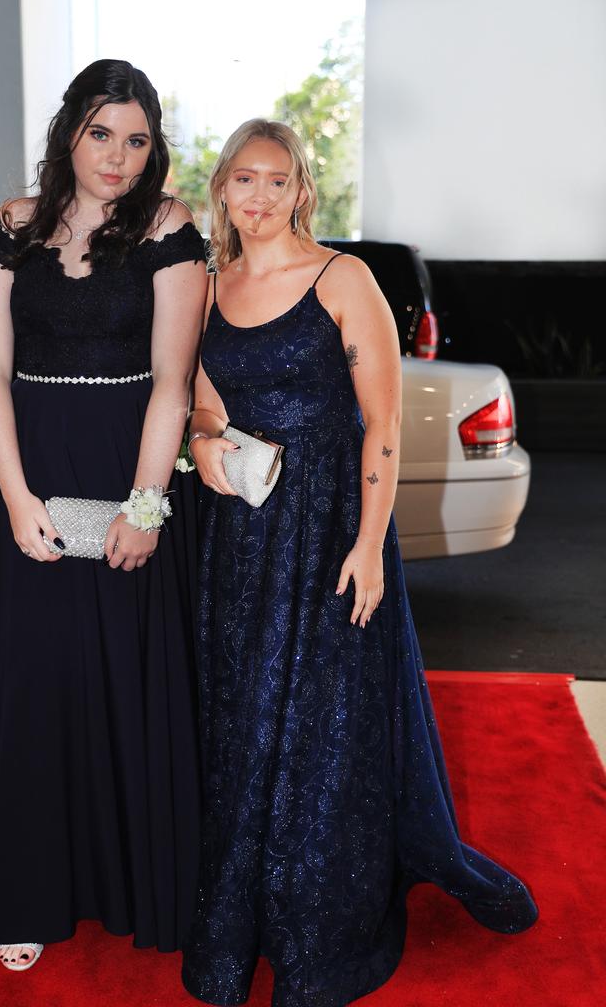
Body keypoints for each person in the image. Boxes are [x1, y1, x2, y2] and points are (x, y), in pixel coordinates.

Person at [181, 119, 538, 1007]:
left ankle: (321, 925)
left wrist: (371, 547)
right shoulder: (210, 286)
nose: (258, 197)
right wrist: (208, 450)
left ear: (302, 189)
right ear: (222, 188)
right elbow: (201, 409)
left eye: (277, 181)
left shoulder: (345, 279)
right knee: (244, 712)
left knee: (324, 720)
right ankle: (241, 914)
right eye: (242, 180)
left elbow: (380, 426)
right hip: (244, 534)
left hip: (336, 524)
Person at [0, 59, 207, 971]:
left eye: (136, 139)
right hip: (32, 462)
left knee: (128, 673)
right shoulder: (10, 226)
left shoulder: (170, 227)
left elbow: (172, 381)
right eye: (100, 134)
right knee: (34, 680)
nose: (118, 157)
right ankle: (24, 889)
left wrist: (148, 504)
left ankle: (136, 878)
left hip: (135, 460)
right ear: (68, 133)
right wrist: (14, 495)